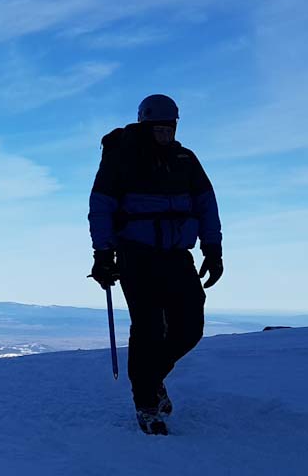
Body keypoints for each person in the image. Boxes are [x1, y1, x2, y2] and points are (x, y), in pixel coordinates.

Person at [88, 94, 224, 435]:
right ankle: (146, 402)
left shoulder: (185, 160)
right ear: (146, 126)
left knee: (189, 328)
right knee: (147, 328)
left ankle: (152, 379)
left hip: (178, 255)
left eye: (169, 129)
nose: (164, 135)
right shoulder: (123, 158)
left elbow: (207, 206)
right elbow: (101, 207)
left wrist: (213, 249)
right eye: (158, 130)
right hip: (137, 254)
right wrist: (103, 254)